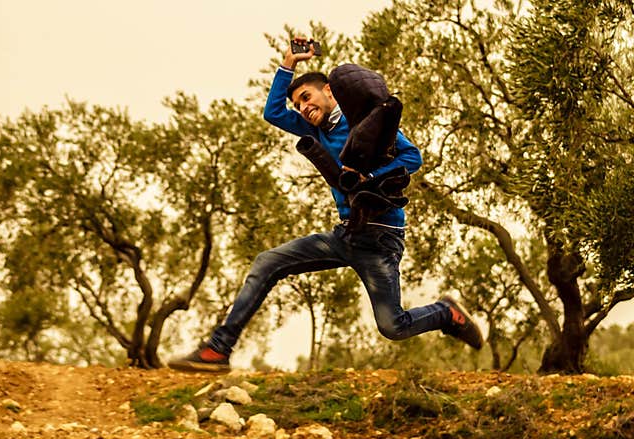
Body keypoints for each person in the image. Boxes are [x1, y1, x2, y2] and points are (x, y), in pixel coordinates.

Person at [167, 38, 483, 373]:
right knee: (266, 263)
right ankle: (218, 350)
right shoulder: (312, 129)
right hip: (345, 235)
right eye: (298, 103)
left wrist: (368, 175)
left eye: (306, 97)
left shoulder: (366, 119)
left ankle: (446, 313)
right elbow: (272, 112)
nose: (302, 107)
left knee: (394, 326)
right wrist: (289, 63)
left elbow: (412, 156)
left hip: (380, 239)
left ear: (329, 91)